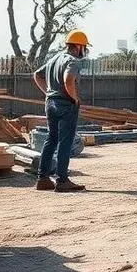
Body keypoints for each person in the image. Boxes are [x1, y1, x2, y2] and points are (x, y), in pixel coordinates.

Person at [32, 30, 90, 192]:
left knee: (51, 139)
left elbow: (37, 75)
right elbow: (68, 80)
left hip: (50, 103)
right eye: (84, 47)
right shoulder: (73, 61)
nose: (84, 51)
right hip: (66, 104)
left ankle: (42, 179)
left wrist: (48, 92)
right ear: (78, 46)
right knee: (65, 142)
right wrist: (75, 98)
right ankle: (62, 180)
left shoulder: (54, 59)